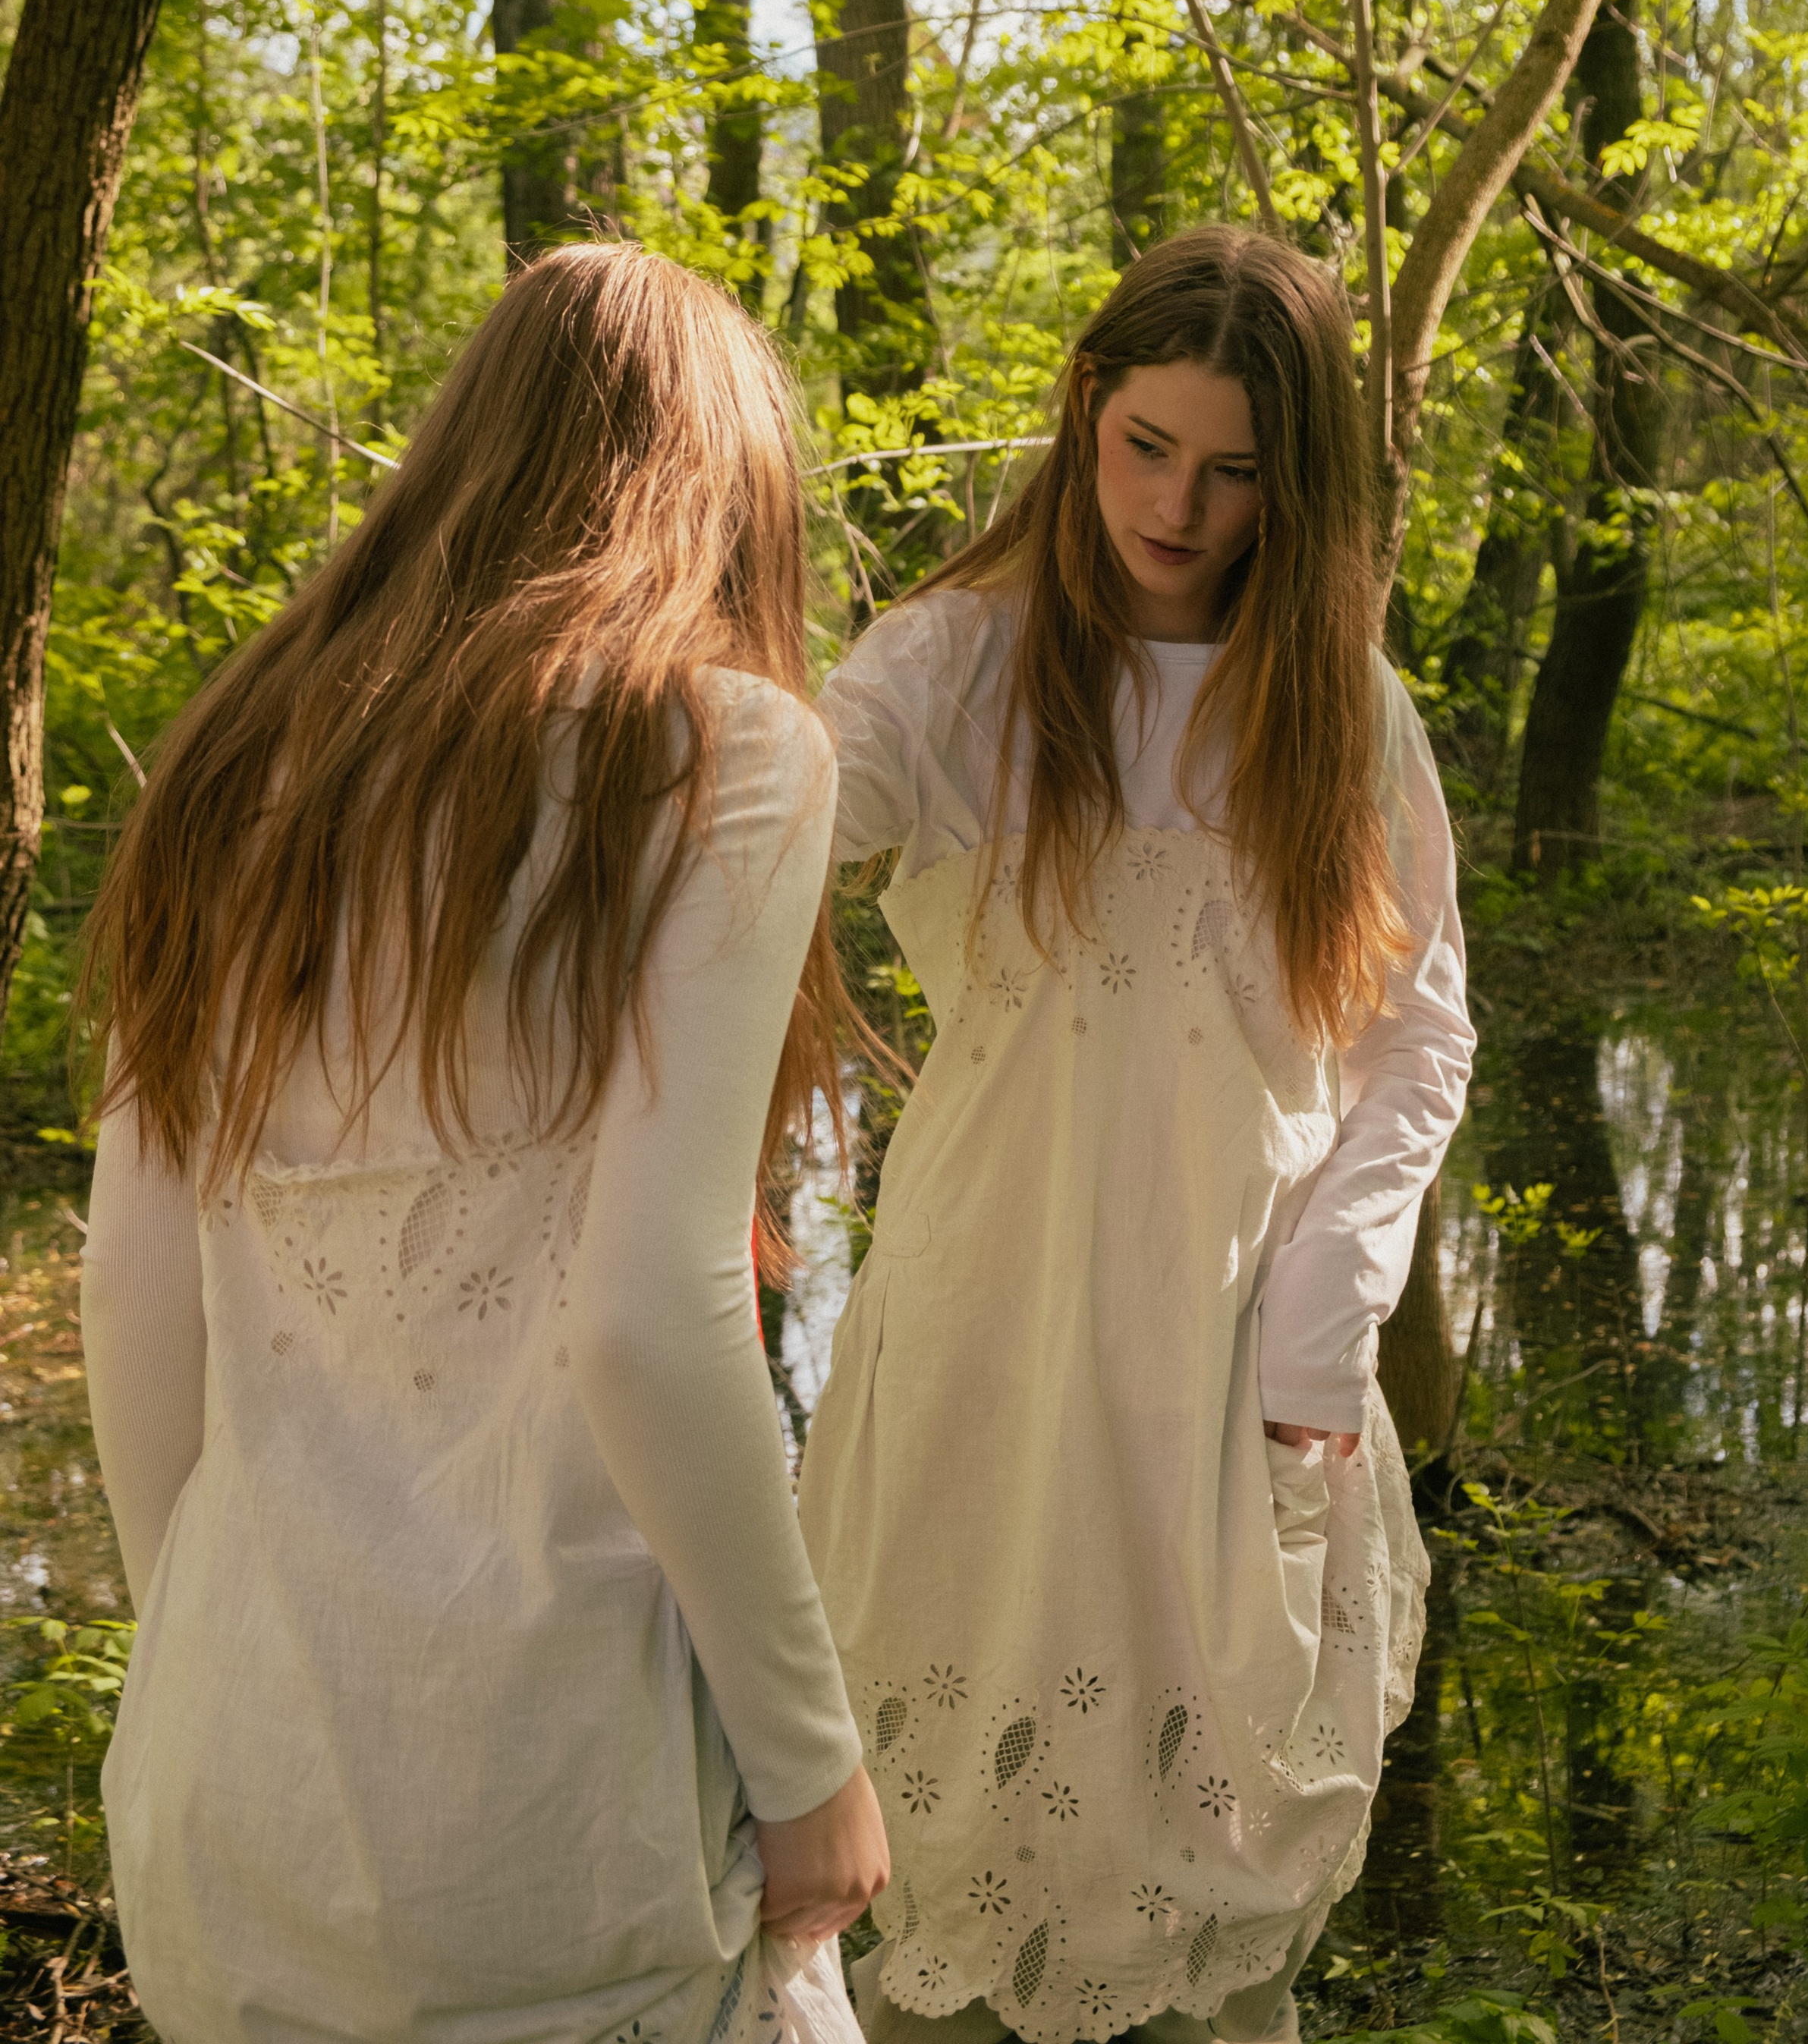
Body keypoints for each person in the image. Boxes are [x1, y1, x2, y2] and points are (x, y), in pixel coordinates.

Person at [77, 244, 890, 2044]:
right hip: (557, 1814)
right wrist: (808, 1760)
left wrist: (204, 1651)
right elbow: (648, 1320)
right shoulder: (723, 755)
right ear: (727, 497)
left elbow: (132, 1290)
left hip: (231, 1796)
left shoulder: (234, 758)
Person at [799, 225, 1474, 2044]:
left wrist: (1323, 1322)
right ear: (1084, 407)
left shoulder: (1342, 713)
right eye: (1144, 446)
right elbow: (754, 831)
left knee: (1216, 1930)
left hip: (1242, 1366)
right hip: (985, 1352)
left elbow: (1416, 1039)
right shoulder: (953, 669)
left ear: (1293, 483)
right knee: (933, 1911)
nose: (1175, 507)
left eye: (1232, 471)